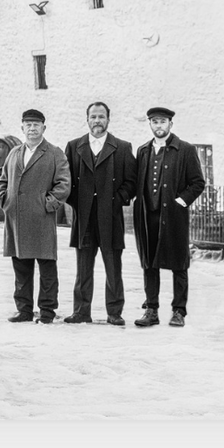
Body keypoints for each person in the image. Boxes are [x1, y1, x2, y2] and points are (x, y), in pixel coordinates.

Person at [62, 102, 136, 325]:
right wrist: (77, 203)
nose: (97, 121)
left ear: (108, 120)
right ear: (87, 119)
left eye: (101, 117)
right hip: (83, 219)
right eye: (93, 116)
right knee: (83, 268)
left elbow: (131, 182)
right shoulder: (74, 146)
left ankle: (114, 313)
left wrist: (116, 201)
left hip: (110, 219)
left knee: (113, 268)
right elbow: (65, 181)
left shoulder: (122, 148)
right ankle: (81, 311)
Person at [132, 107, 206, 328]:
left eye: (163, 122)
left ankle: (178, 311)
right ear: (150, 125)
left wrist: (180, 202)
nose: (159, 126)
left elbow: (197, 183)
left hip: (173, 217)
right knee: (149, 263)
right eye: (155, 122)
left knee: (178, 264)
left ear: (170, 124)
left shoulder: (185, 150)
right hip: (148, 216)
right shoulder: (143, 150)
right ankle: (151, 310)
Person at [0, 109, 71, 324]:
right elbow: (3, 180)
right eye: (28, 125)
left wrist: (47, 205)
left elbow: (63, 184)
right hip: (16, 218)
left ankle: (47, 310)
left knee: (47, 267)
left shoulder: (54, 153)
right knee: (21, 267)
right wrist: (5, 201)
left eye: (36, 125)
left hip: (41, 218)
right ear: (22, 128)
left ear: (43, 128)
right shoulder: (14, 153)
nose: (32, 128)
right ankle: (24, 310)